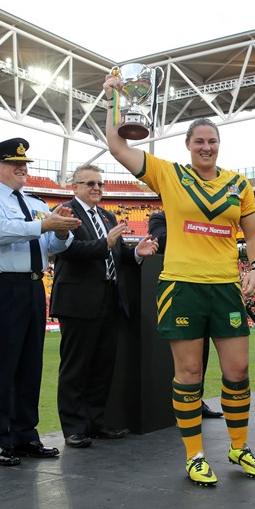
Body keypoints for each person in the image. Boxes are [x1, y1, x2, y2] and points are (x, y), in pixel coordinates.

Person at [104, 73, 255, 487]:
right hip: (181, 286)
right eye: (199, 141)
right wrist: (113, 101)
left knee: (238, 370)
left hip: (225, 288)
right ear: (188, 145)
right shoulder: (168, 175)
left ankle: (239, 447)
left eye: (212, 141)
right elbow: (118, 147)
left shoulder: (238, 184)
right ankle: (195, 455)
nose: (206, 147)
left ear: (219, 145)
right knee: (189, 373)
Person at [0, 138, 81, 466]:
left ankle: (25, 434)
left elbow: (52, 247)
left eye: (24, 163)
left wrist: (60, 231)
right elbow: (1, 232)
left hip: (33, 287)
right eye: (14, 163)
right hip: (0, 288)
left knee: (29, 367)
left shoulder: (35, 202)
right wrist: (47, 223)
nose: (22, 168)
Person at [50, 165, 158, 449]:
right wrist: (104, 243)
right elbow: (68, 252)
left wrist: (136, 252)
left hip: (110, 299)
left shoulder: (107, 216)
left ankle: (96, 423)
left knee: (102, 366)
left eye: (100, 183)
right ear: (74, 187)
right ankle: (74, 428)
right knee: (76, 367)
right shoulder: (65, 212)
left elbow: (116, 254)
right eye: (90, 183)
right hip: (78, 302)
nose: (96, 188)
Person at [148, 210, 223, 419]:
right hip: (178, 290)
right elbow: (161, 241)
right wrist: (195, 231)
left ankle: (197, 400)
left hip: (205, 287)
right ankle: (181, 403)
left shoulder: (200, 214)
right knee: (184, 358)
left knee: (202, 352)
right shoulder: (160, 217)